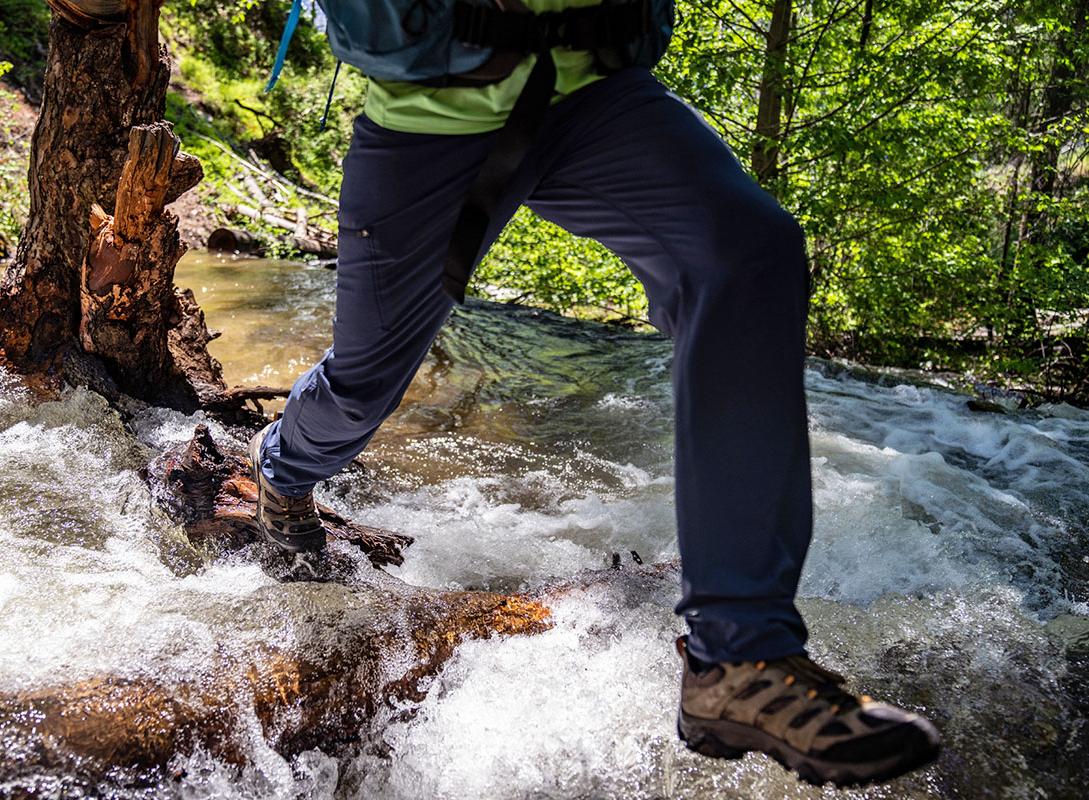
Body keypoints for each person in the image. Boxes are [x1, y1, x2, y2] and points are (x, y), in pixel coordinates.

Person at [248, 0, 941, 787]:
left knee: (750, 253)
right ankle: (283, 469)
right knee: (363, 385)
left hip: (597, 96)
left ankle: (739, 658)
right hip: (432, 106)